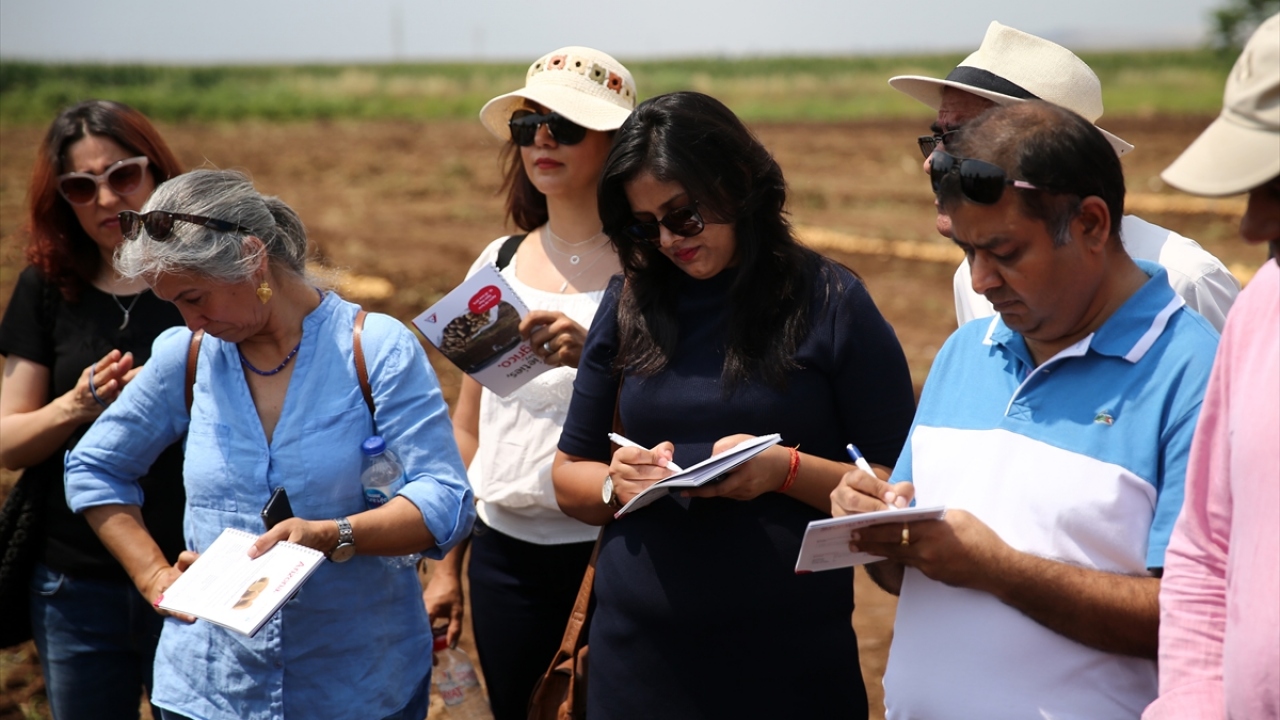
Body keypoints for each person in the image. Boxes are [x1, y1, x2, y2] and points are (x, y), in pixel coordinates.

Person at [830, 100, 1220, 719]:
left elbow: (1199, 620)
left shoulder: (1194, 377)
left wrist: (998, 569)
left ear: (1092, 224)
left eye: (1005, 252)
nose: (981, 281)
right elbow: (912, 581)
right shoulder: (966, 352)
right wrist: (878, 532)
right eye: (966, 252)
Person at [551, 91, 917, 720]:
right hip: (638, 665)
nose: (667, 240)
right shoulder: (630, 303)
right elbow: (568, 475)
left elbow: (897, 486)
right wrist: (618, 485)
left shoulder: (832, 302)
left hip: (789, 668)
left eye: (683, 216)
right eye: (643, 226)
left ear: (738, 183)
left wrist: (785, 471)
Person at [62, 169, 475, 720]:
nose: (192, 322)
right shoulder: (185, 356)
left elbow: (445, 497)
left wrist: (333, 535)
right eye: (175, 306)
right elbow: (94, 467)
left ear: (253, 259)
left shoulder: (375, 350)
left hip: (357, 683)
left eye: (195, 298)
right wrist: (154, 575)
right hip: (212, 688)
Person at [421, 46, 633, 720]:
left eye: (565, 125)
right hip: (503, 557)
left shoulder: (651, 267)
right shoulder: (499, 260)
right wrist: (447, 564)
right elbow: (468, 427)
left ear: (616, 142)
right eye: (527, 125)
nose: (542, 140)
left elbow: (678, 414)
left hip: (611, 551)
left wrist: (594, 360)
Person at [0, 99, 186, 720]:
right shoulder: (48, 288)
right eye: (82, 186)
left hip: (192, 570)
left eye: (123, 175)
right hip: (75, 581)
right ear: (63, 200)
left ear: (158, 171)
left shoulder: (202, 282)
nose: (107, 199)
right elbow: (8, 441)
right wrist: (76, 405)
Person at [889, 20, 1240, 331]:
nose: (931, 163)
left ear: (1051, 154)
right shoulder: (972, 280)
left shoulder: (1185, 282)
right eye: (937, 139)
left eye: (962, 140)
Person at [1143, 14, 1280, 719]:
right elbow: (1203, 546)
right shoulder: (1261, 311)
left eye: (1278, 185)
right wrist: (1193, 702)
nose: (1252, 225)